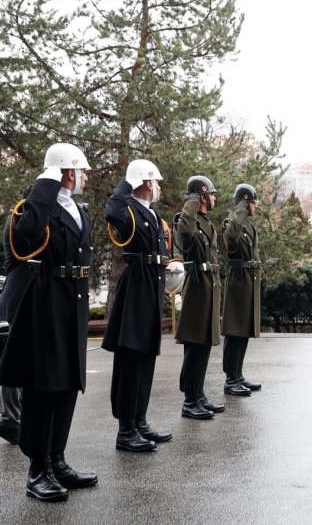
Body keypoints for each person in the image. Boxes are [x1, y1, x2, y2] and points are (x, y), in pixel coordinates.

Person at [0, 143, 98, 502]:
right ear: (66, 172)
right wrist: (45, 182)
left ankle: (57, 459)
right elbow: (27, 234)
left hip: (73, 301)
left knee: (68, 383)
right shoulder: (35, 207)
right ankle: (38, 470)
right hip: (46, 302)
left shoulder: (76, 208)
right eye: (80, 171)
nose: (84, 177)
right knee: (44, 386)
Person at [102, 160, 172, 452]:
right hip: (136, 287)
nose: (158, 188)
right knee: (131, 358)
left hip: (151, 285)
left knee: (146, 357)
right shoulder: (129, 210)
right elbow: (111, 211)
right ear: (145, 183)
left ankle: (140, 421)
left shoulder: (151, 213)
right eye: (155, 182)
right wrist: (126, 184)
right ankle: (126, 429)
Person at [174, 175, 223, 419]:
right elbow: (185, 234)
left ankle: (199, 394)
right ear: (202, 197)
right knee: (194, 345)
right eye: (211, 194)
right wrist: (191, 202)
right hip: (196, 287)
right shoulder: (187, 220)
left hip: (208, 286)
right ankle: (190, 401)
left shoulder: (205, 222)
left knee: (204, 343)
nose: (214, 198)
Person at [0, 185, 35, 445]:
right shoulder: (21, 217)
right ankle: (10, 419)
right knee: (18, 359)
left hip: (21, 295)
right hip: (21, 296)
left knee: (23, 358)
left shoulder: (20, 216)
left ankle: (13, 418)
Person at [221, 184, 264, 394]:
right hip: (238, 281)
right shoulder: (232, 223)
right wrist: (240, 210)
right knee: (234, 330)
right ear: (245, 202)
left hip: (248, 280)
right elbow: (230, 241)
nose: (255, 206)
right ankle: (230, 379)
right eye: (252, 202)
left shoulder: (248, 225)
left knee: (244, 330)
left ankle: (238, 375)